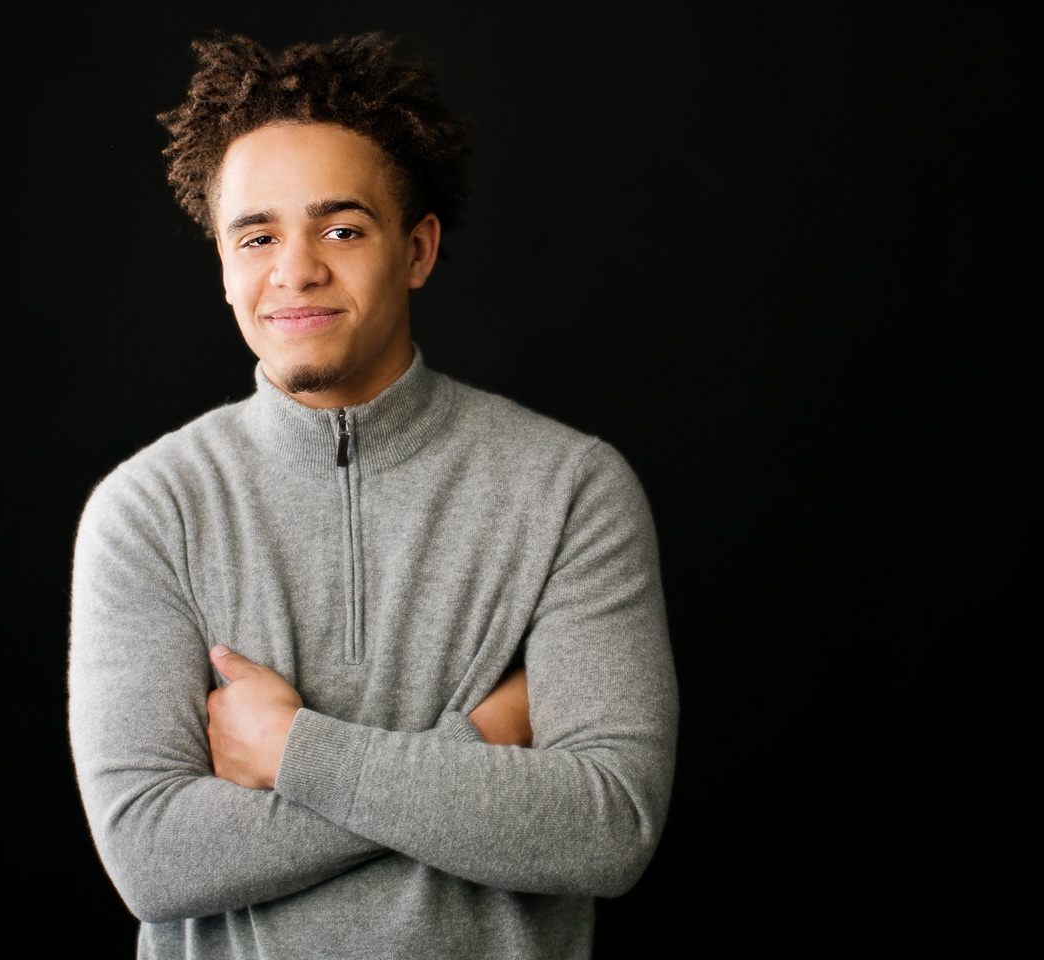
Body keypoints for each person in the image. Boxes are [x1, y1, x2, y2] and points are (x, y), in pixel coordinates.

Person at [69, 32, 677, 959]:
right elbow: (154, 861)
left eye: (342, 229)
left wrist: (290, 753)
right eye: (257, 235)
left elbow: (609, 827)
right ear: (224, 265)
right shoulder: (147, 510)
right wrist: (480, 739)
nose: (297, 269)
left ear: (418, 249)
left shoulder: (570, 490)